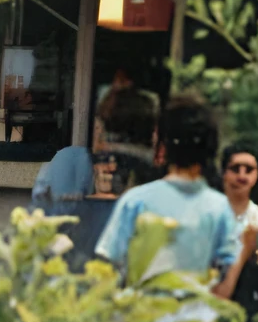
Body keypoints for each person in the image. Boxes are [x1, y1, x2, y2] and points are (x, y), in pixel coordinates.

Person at [94, 93, 239, 281]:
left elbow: (107, 268)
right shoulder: (221, 208)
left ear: (162, 145)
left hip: (141, 307)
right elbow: (227, 272)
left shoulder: (135, 201)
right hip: (198, 308)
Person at [217, 142, 258, 310]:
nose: (242, 176)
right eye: (235, 169)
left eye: (248, 170)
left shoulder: (255, 214)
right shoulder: (213, 210)